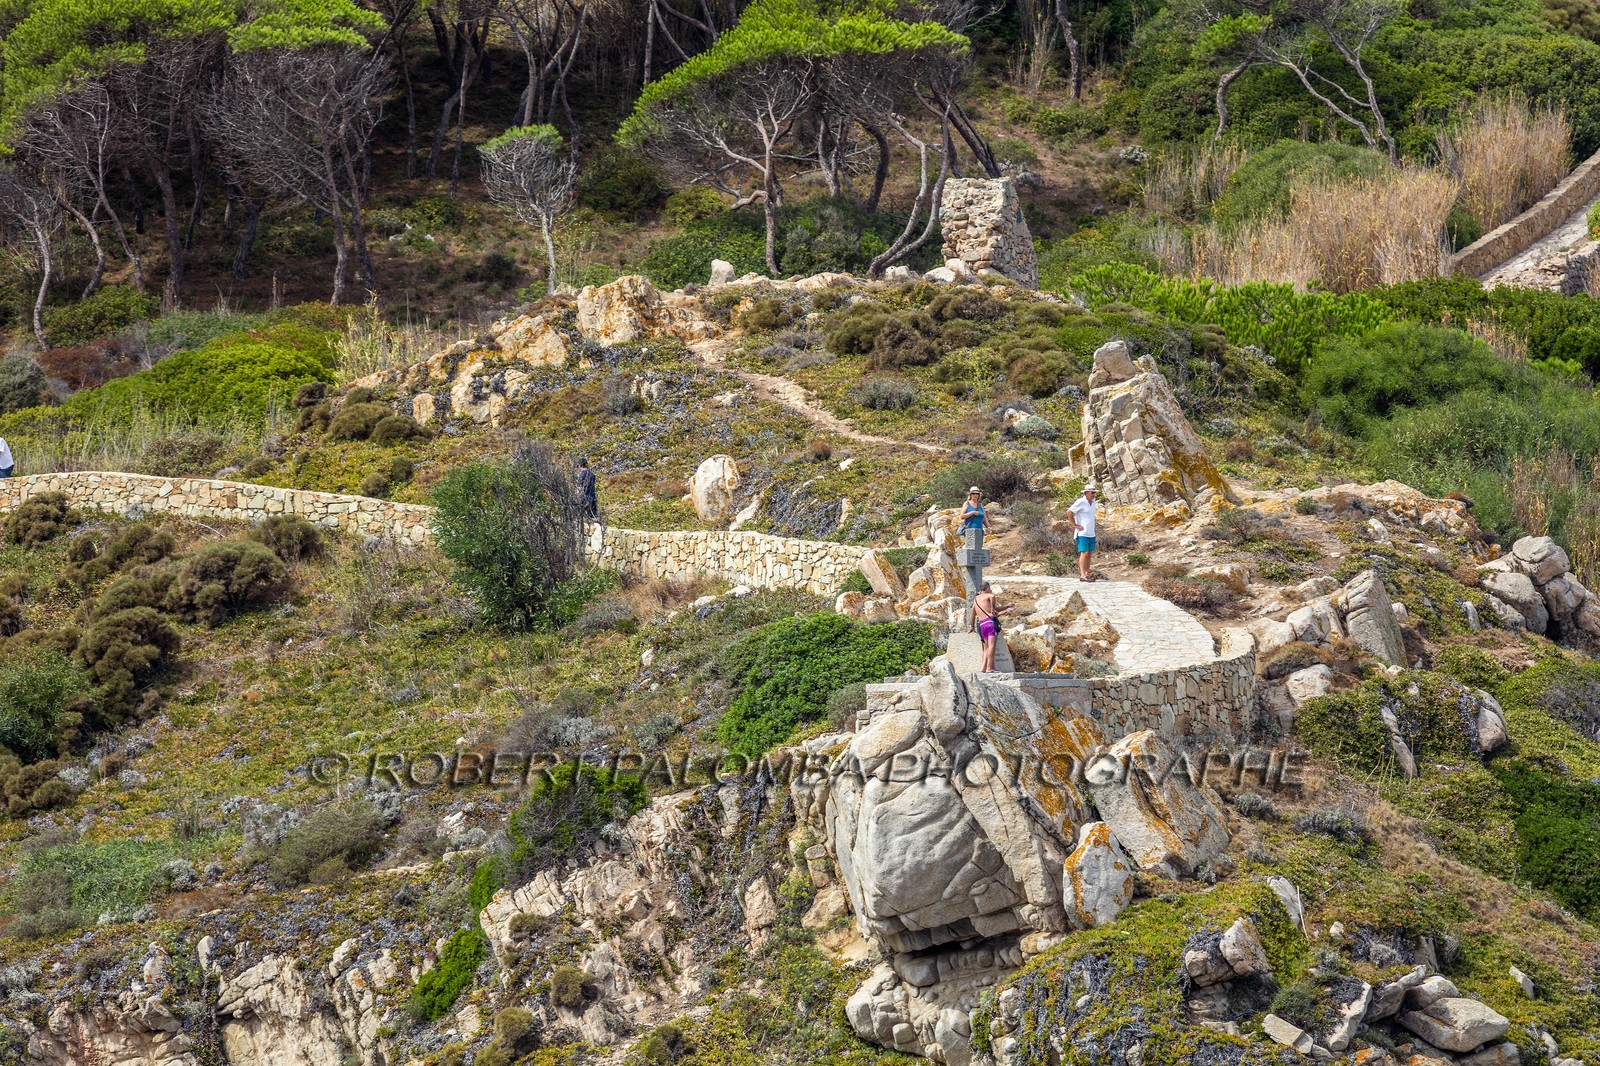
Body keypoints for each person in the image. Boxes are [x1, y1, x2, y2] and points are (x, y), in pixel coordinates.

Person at [970, 581, 1012, 673]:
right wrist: (993, 607)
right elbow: (992, 597)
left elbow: (972, 614)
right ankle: (989, 668)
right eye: (990, 588)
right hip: (990, 623)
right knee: (991, 646)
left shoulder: (976, 599)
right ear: (988, 588)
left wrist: (972, 626)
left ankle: (984, 668)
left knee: (986, 647)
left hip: (981, 624)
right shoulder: (989, 596)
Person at [1068, 482, 1098, 581]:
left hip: (1091, 532)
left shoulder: (1094, 503)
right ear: (1086, 493)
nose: (1093, 495)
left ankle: (1087, 573)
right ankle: (1082, 574)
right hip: (1083, 532)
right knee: (1084, 552)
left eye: (1094, 493)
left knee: (1089, 553)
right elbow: (1069, 512)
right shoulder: (1080, 502)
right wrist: (1075, 525)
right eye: (1091, 493)